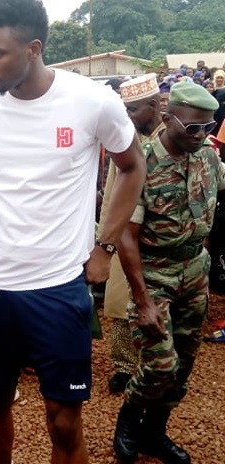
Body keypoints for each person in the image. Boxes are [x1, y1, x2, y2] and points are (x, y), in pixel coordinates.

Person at [0, 1, 146, 464]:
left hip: (58, 289)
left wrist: (104, 247)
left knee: (64, 423)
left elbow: (132, 166)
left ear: (33, 49)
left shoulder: (90, 102)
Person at [113, 82, 225, 464]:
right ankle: (128, 417)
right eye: (193, 128)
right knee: (160, 364)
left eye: (208, 128)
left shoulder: (208, 156)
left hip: (196, 270)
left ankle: (154, 431)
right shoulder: (141, 163)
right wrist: (142, 300)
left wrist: (203, 256)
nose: (202, 135)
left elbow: (214, 203)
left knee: (184, 365)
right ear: (167, 118)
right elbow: (126, 236)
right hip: (155, 274)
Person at [100, 73, 165, 394]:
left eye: (134, 110)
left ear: (155, 105)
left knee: (162, 301)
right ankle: (124, 366)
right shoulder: (123, 138)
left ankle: (158, 363)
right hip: (126, 233)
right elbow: (111, 192)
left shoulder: (175, 135)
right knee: (120, 302)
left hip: (162, 234)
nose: (128, 117)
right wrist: (104, 238)